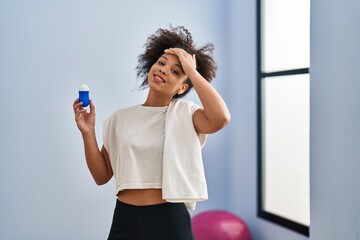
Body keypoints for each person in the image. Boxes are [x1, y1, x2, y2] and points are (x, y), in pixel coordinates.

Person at [73, 25, 230, 240]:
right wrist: (87, 132)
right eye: (161, 63)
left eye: (176, 71)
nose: (164, 69)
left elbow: (221, 118)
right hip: (125, 218)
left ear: (182, 88)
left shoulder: (187, 114)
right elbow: (101, 176)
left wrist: (192, 72)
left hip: (169, 220)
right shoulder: (120, 118)